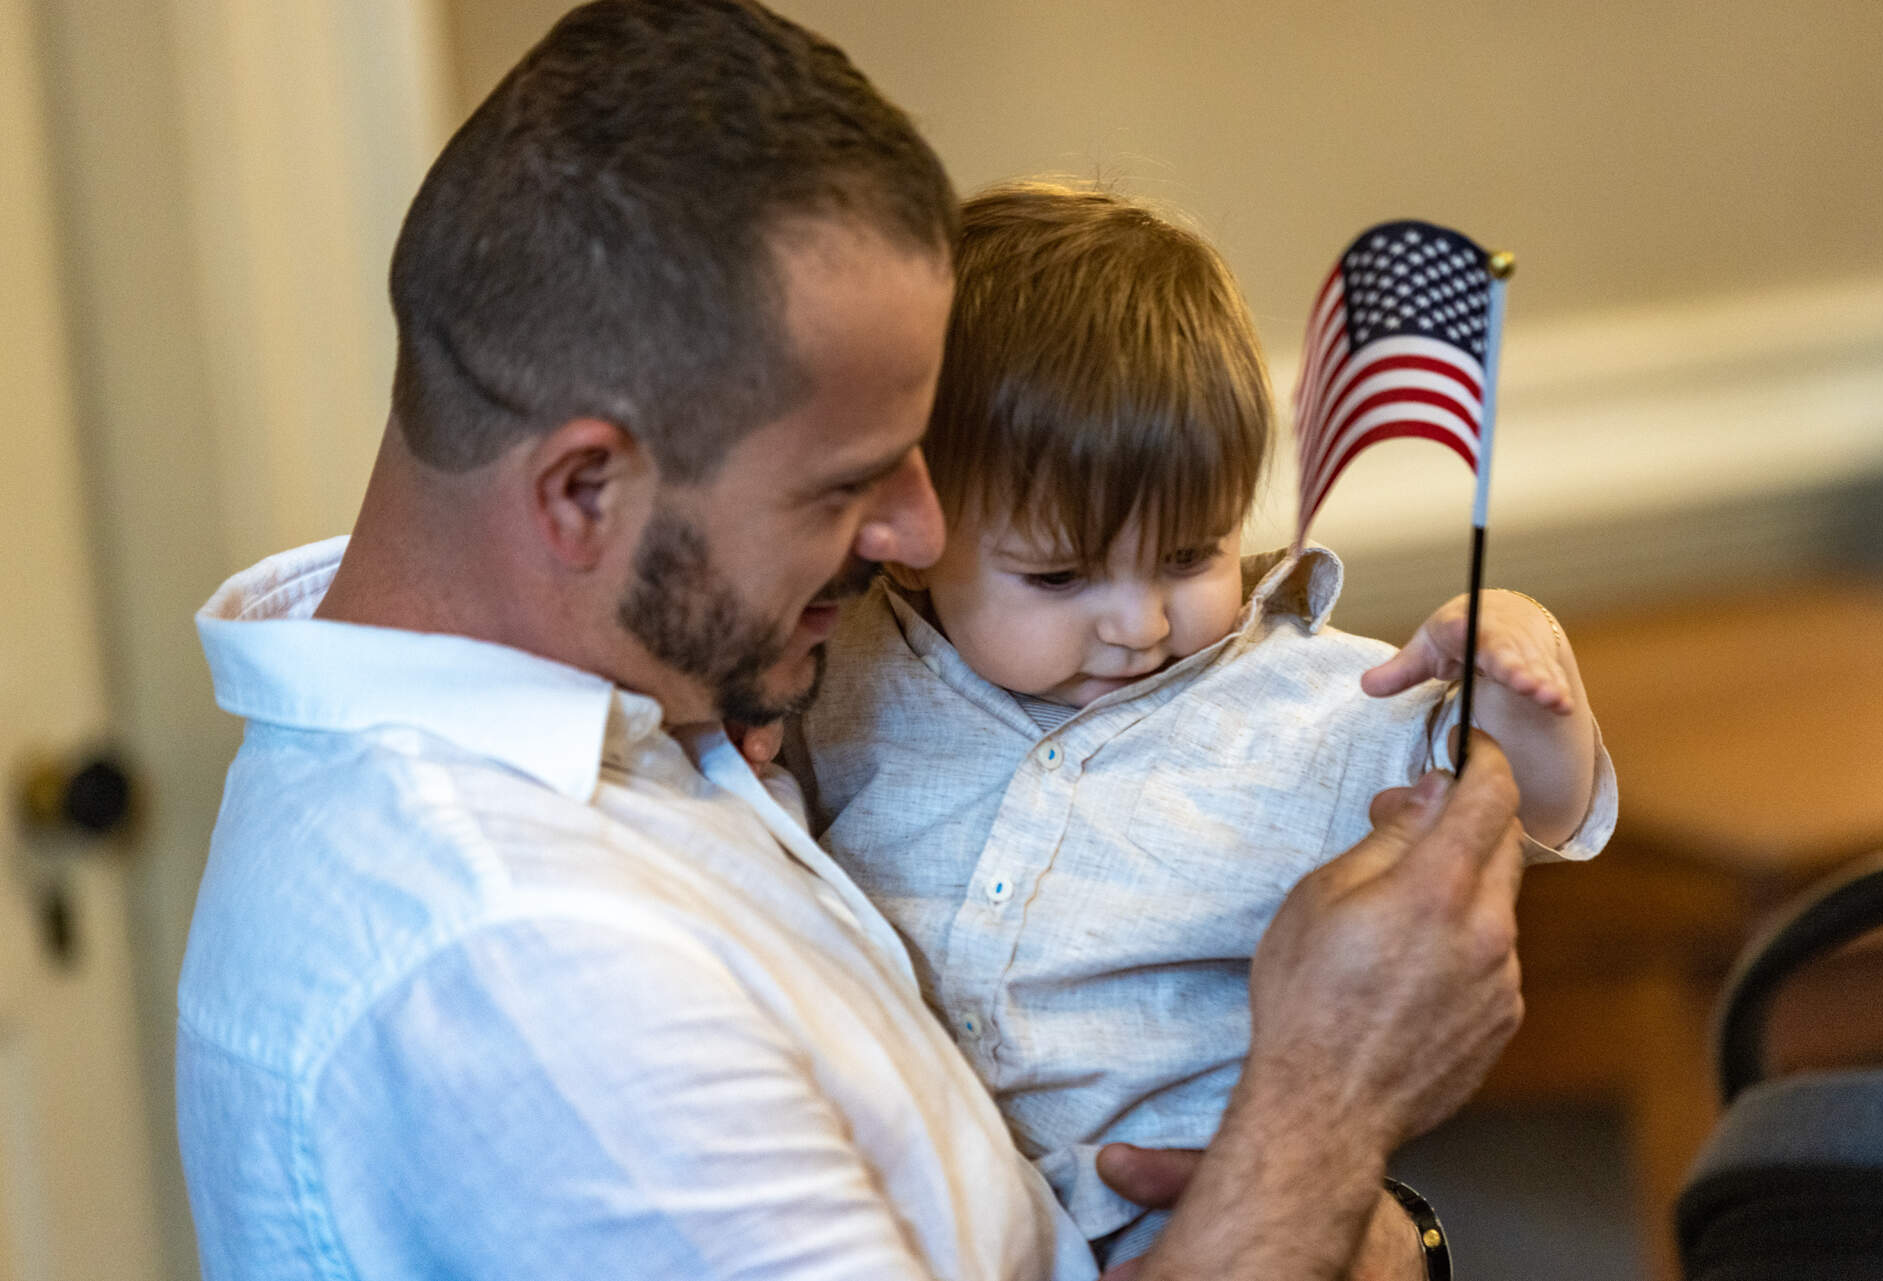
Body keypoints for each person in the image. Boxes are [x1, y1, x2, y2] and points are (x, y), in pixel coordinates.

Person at [182, 3, 1528, 1278]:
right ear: (585, 491)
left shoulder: (623, 705)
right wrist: (1325, 1111)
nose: (916, 531)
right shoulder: (529, 964)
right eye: (846, 487)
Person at [788, 182, 1618, 1263]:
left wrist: (1526, 682)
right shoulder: (843, 669)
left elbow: (1531, 808)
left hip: (1211, 1227)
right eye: (1060, 576)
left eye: (1189, 558)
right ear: (917, 533)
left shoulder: (1311, 704)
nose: (1136, 623)